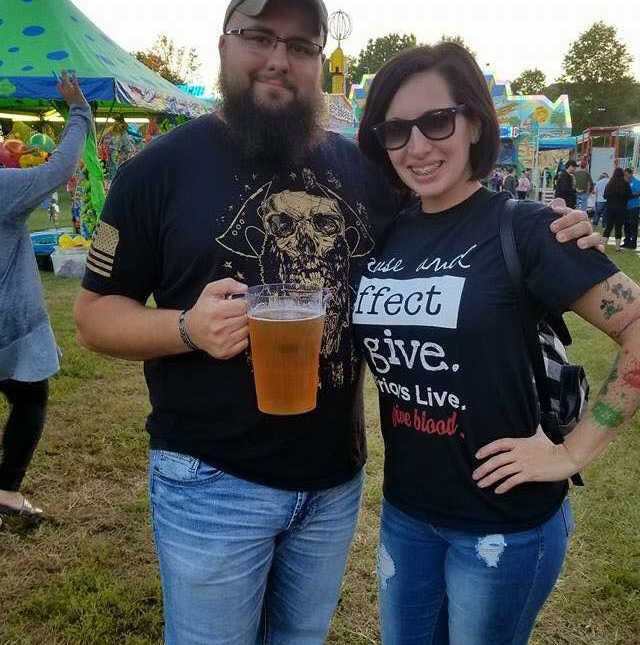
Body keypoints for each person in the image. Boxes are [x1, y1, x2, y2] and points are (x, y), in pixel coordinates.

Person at [73, 2, 599, 643]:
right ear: (222, 45)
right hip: (211, 481)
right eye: (259, 37)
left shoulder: (366, 172)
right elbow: (94, 316)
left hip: (331, 484)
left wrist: (557, 228)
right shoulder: (156, 171)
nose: (278, 58)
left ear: (319, 62)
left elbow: (452, 218)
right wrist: (184, 328)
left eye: (300, 45)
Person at [356, 43, 640, 645]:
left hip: (502, 524)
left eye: (436, 121)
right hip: (407, 514)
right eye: (396, 130)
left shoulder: (528, 229)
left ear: (474, 121)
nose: (418, 145)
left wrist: (571, 453)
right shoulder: (383, 235)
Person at [0, 71, 92, 519]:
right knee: (30, 397)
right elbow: (60, 168)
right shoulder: (2, 188)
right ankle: (6, 491)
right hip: (8, 327)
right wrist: (78, 110)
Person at [602, 167, 633, 250]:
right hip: (621, 208)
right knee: (618, 227)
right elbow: (630, 195)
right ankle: (617, 247)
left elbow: (605, 196)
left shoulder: (610, 183)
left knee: (609, 226)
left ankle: (603, 245)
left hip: (610, 208)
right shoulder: (625, 183)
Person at [623, 167, 640, 249]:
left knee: (633, 225)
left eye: (627, 175)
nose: (626, 177)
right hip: (626, 207)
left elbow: (637, 193)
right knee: (626, 225)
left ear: (631, 174)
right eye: (625, 175)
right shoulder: (625, 182)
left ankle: (633, 242)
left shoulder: (636, 182)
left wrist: (627, 193)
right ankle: (626, 241)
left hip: (634, 207)